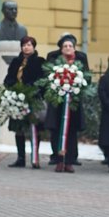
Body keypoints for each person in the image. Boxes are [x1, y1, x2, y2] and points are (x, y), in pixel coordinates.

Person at [46, 35, 90, 171]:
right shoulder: (54, 60)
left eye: (70, 46)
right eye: (65, 46)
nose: (68, 48)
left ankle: (70, 161)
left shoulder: (80, 59)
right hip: (57, 101)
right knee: (57, 130)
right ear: (61, 48)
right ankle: (58, 159)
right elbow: (48, 76)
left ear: (74, 48)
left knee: (71, 131)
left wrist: (77, 86)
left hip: (73, 102)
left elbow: (87, 77)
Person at [3, 36, 44, 168]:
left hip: (33, 99)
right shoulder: (16, 61)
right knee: (19, 129)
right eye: (24, 45)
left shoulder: (39, 61)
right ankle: (20, 158)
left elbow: (42, 80)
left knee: (35, 129)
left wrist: (32, 90)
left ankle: (35, 157)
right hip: (18, 100)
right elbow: (8, 78)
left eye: (29, 45)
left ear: (34, 47)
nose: (26, 47)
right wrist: (13, 88)